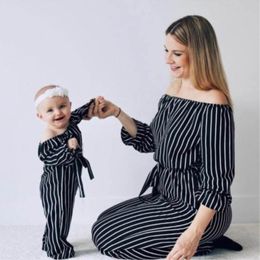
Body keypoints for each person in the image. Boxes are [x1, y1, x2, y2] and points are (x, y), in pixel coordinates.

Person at [91, 15, 242, 260]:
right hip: (166, 195)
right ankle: (197, 238)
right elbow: (151, 140)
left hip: (197, 207)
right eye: (166, 51)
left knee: (106, 238)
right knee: (104, 220)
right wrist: (117, 113)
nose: (167, 60)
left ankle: (204, 239)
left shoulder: (215, 103)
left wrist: (192, 234)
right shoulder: (175, 90)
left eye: (177, 53)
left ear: (200, 53)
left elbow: (218, 181)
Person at [35, 85, 94, 259]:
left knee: (63, 213)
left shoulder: (69, 120)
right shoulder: (50, 133)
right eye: (50, 110)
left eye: (62, 106)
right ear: (41, 116)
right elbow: (46, 155)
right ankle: (57, 247)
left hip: (69, 180)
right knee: (58, 213)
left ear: (69, 105)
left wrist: (93, 105)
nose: (58, 113)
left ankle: (51, 239)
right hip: (55, 182)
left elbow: (81, 113)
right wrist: (67, 148)